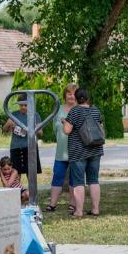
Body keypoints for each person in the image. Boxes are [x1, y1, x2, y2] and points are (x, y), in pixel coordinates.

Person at [63, 87, 104, 217]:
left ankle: (79, 211)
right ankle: (95, 209)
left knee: (78, 181)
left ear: (76, 98)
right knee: (94, 180)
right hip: (96, 149)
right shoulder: (96, 110)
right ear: (88, 98)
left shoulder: (74, 111)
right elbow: (101, 128)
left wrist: (65, 122)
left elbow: (67, 131)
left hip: (78, 151)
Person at [46, 83, 78, 212]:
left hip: (77, 151)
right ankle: (52, 203)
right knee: (57, 176)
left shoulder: (80, 110)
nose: (71, 95)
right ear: (65, 95)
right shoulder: (58, 109)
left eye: (74, 93)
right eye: (69, 93)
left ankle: (73, 203)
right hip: (61, 151)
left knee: (75, 178)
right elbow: (55, 129)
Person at [3, 93, 43, 180]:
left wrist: (34, 129)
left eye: (26, 105)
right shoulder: (13, 114)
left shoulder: (35, 115)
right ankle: (18, 192)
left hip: (30, 147)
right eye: (21, 105)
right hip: (16, 147)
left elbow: (40, 133)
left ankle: (32, 192)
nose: (23, 107)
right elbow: (5, 130)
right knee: (16, 173)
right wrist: (8, 124)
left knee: (31, 173)